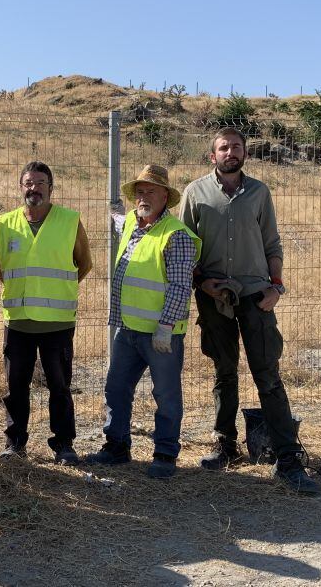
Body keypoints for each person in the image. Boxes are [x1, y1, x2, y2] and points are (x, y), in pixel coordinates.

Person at [179, 127, 320, 494]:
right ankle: (224, 445)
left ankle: (287, 458)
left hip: (257, 296)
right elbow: (184, 248)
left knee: (268, 376)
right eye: (223, 148)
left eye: (236, 147)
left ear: (245, 153)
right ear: (213, 156)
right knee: (224, 372)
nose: (230, 152)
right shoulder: (195, 192)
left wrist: (277, 287)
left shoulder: (259, 192)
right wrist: (201, 283)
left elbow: (272, 242)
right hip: (214, 296)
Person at [85, 165, 200, 479]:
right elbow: (118, 219)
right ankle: (116, 447)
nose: (144, 196)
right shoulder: (130, 226)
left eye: (151, 190)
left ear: (166, 196)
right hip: (129, 330)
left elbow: (178, 286)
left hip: (162, 334)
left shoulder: (177, 236)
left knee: (165, 394)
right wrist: (112, 209)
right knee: (116, 389)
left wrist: (165, 325)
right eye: (140, 190)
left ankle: (165, 453)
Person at [0, 161, 92, 465]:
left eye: (40, 183)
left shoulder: (69, 221)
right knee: (16, 387)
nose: (33, 188)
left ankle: (63, 444)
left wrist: (58, 292)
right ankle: (15, 444)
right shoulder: (4, 223)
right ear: (21, 187)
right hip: (19, 321)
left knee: (59, 387)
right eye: (28, 183)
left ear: (51, 188)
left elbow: (84, 263)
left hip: (57, 323)